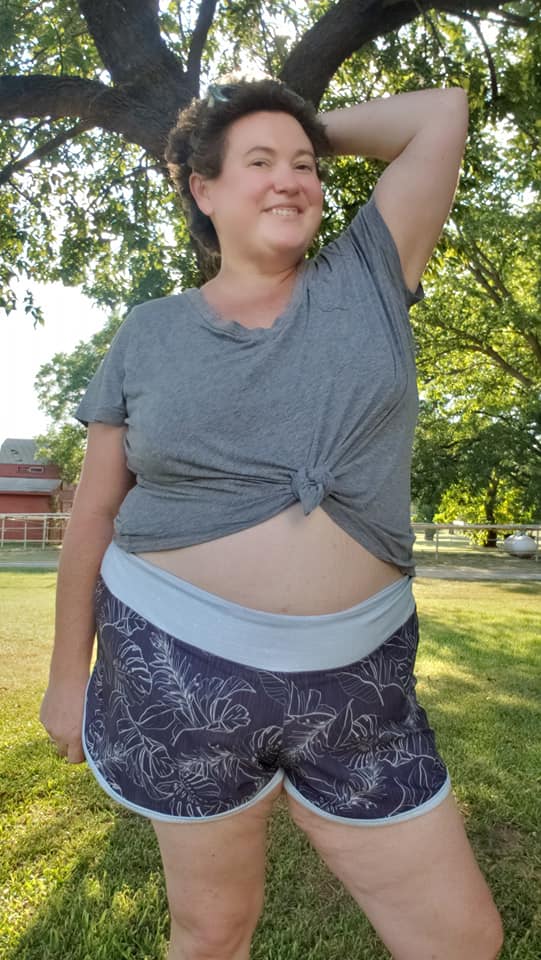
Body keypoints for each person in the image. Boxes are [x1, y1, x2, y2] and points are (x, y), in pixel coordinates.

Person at [40, 79, 503, 960]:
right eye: (257, 163)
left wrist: (294, 134)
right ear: (201, 188)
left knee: (461, 939)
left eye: (304, 166)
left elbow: (439, 112)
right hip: (169, 670)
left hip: (360, 681)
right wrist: (70, 676)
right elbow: (94, 512)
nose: (291, 178)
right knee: (212, 931)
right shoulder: (147, 332)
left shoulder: (369, 274)